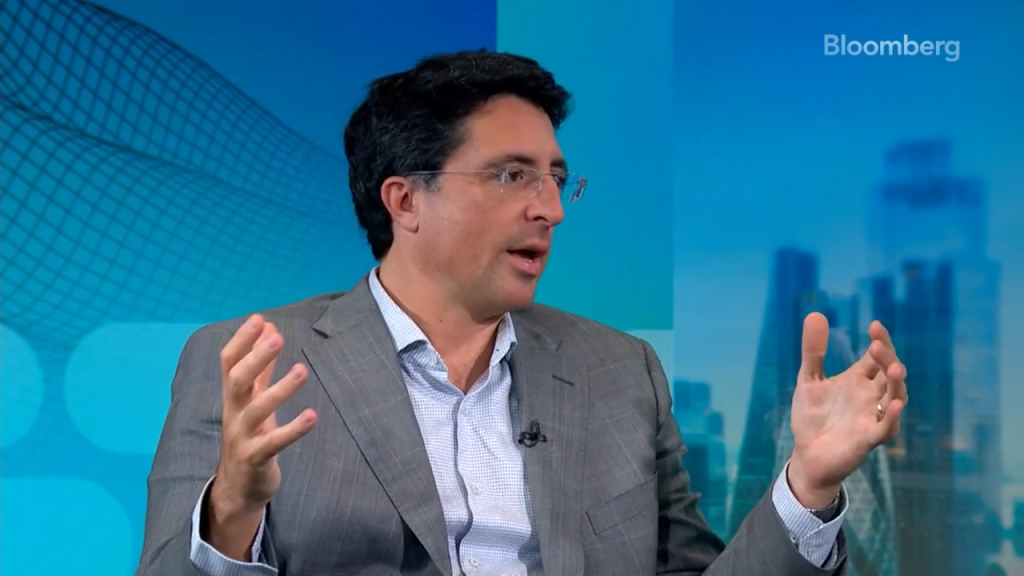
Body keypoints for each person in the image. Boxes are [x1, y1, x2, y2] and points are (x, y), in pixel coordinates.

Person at [137, 49, 908, 576]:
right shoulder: (254, 360)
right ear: (405, 200)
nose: (550, 210)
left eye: (556, 180)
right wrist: (231, 510)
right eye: (512, 176)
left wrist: (807, 486)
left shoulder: (621, 372)